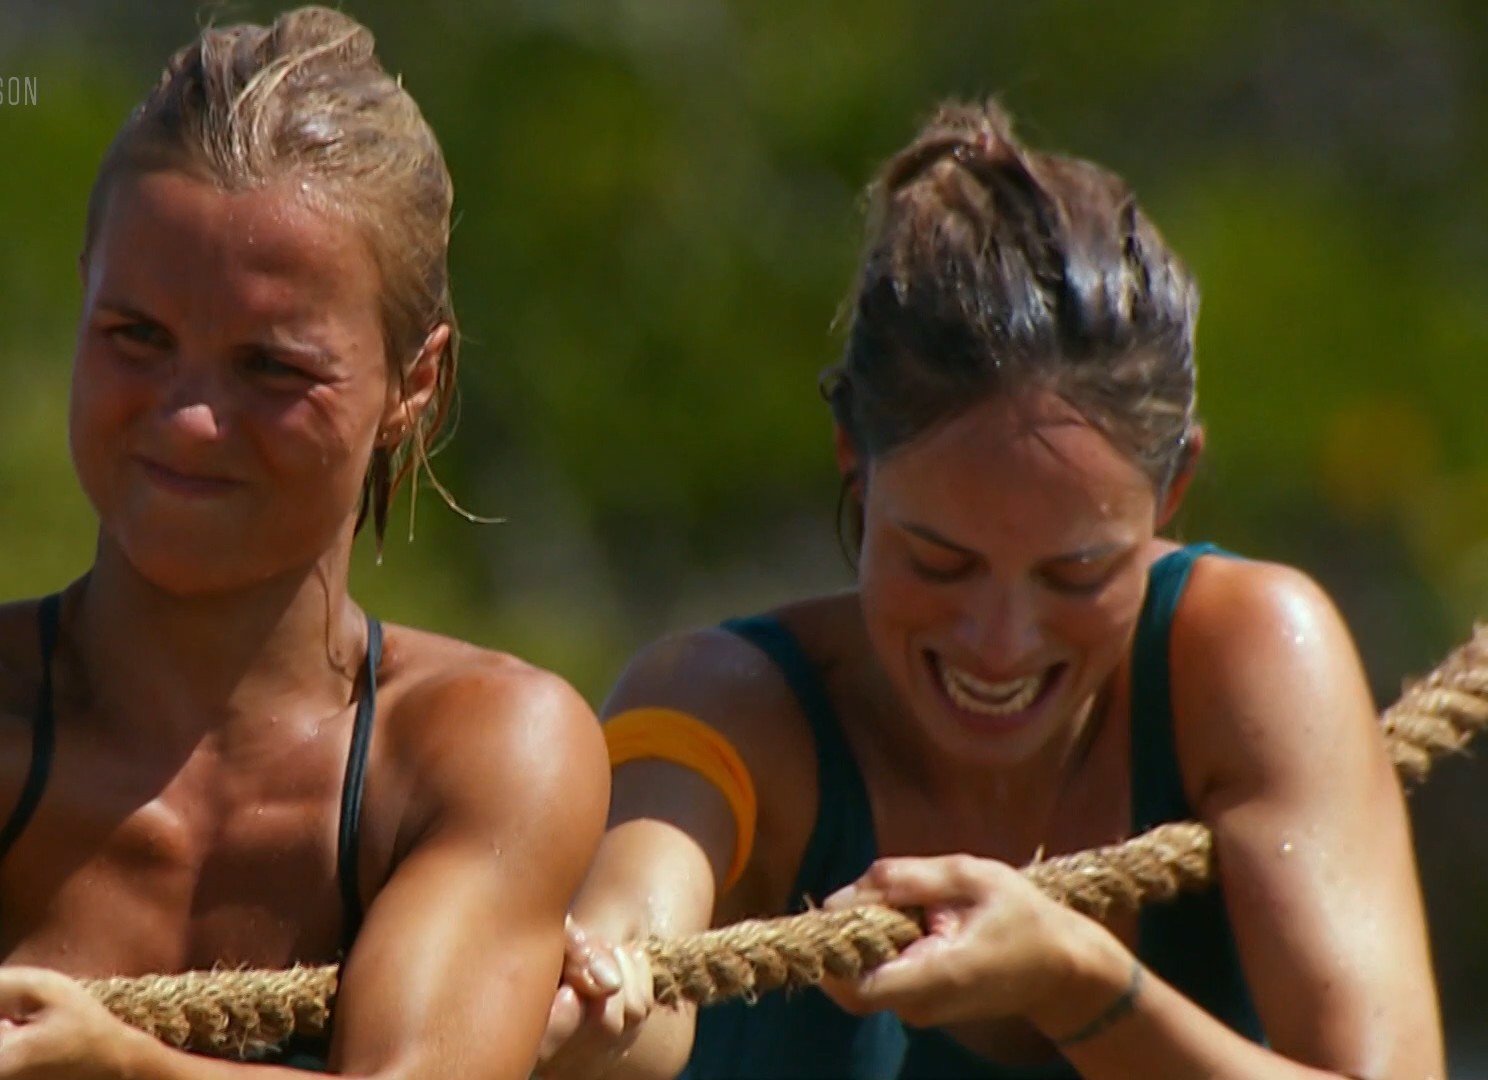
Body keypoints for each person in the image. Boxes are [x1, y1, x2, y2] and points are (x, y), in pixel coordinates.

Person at [0, 8, 609, 1080]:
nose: (188, 419)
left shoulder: (485, 749)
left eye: (272, 368)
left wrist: (127, 1068)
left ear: (414, 383)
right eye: (137, 338)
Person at [536, 102, 1445, 1079]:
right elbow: (631, 955)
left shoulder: (1252, 656)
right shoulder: (722, 706)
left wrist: (1078, 985)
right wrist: (590, 1003)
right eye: (940, 562)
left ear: (1173, 489)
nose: (1000, 641)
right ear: (853, 462)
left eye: (1076, 574)